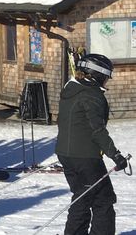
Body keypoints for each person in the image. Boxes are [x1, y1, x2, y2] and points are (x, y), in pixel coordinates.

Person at [56, 54, 127, 235]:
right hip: (85, 158)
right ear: (97, 75)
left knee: (82, 197)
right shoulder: (91, 95)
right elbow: (98, 130)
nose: (106, 82)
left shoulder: (71, 89)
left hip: (66, 153)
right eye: (105, 77)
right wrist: (115, 155)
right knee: (103, 199)